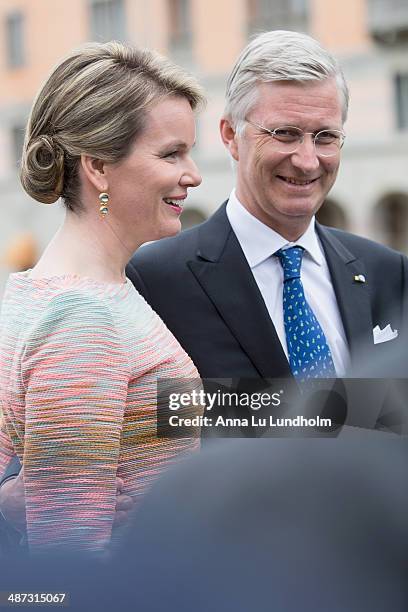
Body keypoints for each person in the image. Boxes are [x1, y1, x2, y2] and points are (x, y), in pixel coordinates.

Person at [2, 31, 408, 536]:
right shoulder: (143, 282)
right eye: (284, 133)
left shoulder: (388, 270)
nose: (307, 159)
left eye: (325, 136)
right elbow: (98, 454)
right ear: (231, 135)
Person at [0, 41, 204, 553]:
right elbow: (67, 563)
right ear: (97, 166)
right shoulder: (83, 315)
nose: (193, 174)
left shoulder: (71, 291)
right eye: (171, 153)